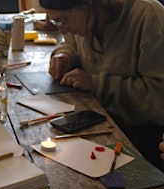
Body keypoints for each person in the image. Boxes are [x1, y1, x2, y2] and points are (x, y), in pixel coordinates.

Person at [40, 0, 164, 171]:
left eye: (62, 21)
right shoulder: (87, 17)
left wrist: (97, 83)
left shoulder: (148, 16)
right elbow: (70, 44)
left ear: (89, 5)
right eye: (55, 22)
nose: (62, 30)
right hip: (98, 121)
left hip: (141, 138)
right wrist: (65, 55)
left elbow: (158, 97)